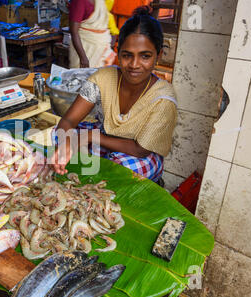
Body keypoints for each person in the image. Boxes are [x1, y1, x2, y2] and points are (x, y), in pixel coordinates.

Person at [51, 6, 177, 183]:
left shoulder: (163, 98)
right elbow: (69, 120)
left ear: (158, 56)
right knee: (58, 134)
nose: (134, 64)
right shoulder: (103, 77)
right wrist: (67, 143)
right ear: (118, 51)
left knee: (121, 167)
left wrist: (88, 137)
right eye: (127, 55)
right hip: (106, 139)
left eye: (145, 56)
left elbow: (141, 149)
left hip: (139, 153)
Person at [68, 0, 116, 68]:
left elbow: (108, 22)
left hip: (102, 48)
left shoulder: (101, 1)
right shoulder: (79, 1)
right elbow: (74, 31)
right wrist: (83, 58)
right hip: (85, 49)